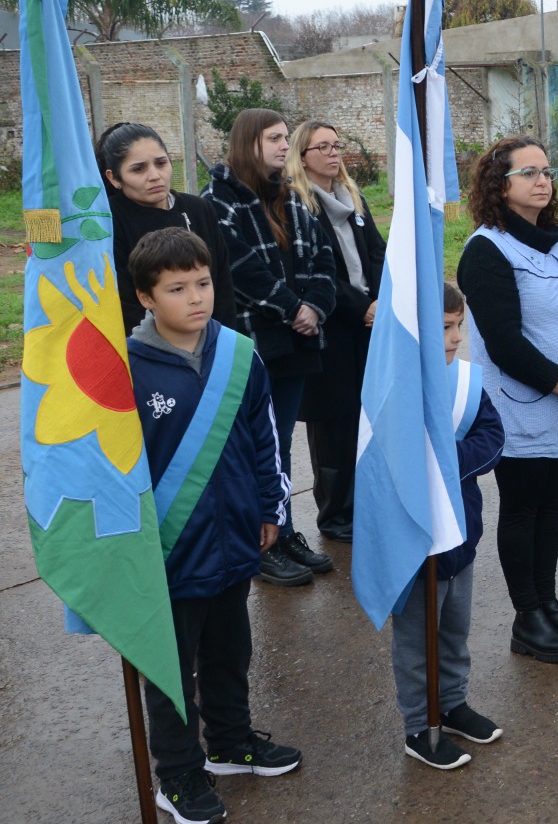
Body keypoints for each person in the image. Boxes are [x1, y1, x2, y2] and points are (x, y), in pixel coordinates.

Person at [125, 228, 301, 824]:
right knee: (171, 665)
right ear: (146, 298)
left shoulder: (237, 352)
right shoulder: (128, 369)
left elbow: (263, 436)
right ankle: (176, 775)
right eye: (177, 289)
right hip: (169, 549)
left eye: (202, 283)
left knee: (230, 648)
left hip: (234, 537)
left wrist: (270, 507)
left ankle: (230, 742)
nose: (196, 298)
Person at [457, 134, 558, 662]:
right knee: (521, 510)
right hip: (522, 404)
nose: (543, 181)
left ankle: (548, 603)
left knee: (552, 506)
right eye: (530, 173)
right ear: (501, 184)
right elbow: (503, 341)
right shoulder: (486, 250)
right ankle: (527, 619)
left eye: (546, 171)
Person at [204, 108, 336, 585]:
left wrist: (316, 307)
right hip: (257, 344)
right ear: (247, 143)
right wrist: (292, 308)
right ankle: (260, 543)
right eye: (275, 138)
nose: (285, 146)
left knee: (281, 443)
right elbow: (239, 270)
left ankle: (284, 529)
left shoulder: (290, 197)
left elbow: (323, 257)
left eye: (285, 138)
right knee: (255, 446)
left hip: (298, 344)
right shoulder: (217, 202)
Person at [392, 282, 505, 770]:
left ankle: (453, 704)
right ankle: (420, 723)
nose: (456, 337)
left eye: (459, 325)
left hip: (461, 532)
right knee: (418, 639)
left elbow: (493, 436)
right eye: (443, 328)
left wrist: (447, 459)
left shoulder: (464, 382)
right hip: (417, 541)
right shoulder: (394, 386)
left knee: (455, 630)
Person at [284, 121, 385, 544]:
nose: (332, 153)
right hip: (331, 330)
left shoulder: (353, 196)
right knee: (334, 428)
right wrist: (362, 307)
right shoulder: (297, 204)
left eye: (336, 145)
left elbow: (377, 254)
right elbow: (312, 273)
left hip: (370, 326)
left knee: (367, 420)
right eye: (321, 146)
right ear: (301, 155)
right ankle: (336, 514)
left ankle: (367, 505)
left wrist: (382, 300)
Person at [98, 122, 236, 335]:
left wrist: (223, 343)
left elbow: (223, 284)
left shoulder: (199, 209)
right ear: (114, 178)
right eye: (138, 168)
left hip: (211, 339)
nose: (154, 175)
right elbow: (124, 300)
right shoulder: (110, 221)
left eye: (161, 163)